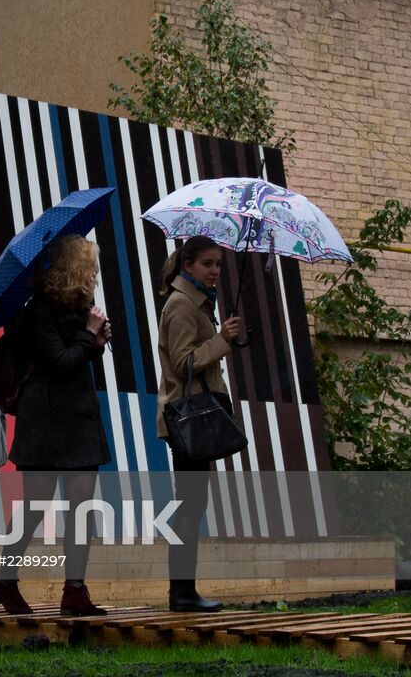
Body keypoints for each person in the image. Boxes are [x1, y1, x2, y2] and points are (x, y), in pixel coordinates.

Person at [0, 234, 111, 617]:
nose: (93, 274)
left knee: (82, 507)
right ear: (74, 268)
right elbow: (59, 362)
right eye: (89, 267)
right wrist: (89, 337)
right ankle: (6, 581)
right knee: (34, 507)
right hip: (45, 419)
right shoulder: (37, 310)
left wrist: (97, 342)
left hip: (77, 417)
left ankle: (75, 591)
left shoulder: (81, 307)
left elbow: (77, 358)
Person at [156, 235, 244, 613]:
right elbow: (182, 363)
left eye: (219, 264)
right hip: (186, 418)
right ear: (188, 265)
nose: (215, 271)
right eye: (208, 264)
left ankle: (185, 591)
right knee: (189, 506)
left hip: (196, 415)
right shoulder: (180, 304)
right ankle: (181, 592)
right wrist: (222, 339)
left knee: (193, 504)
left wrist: (225, 337)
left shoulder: (197, 303)